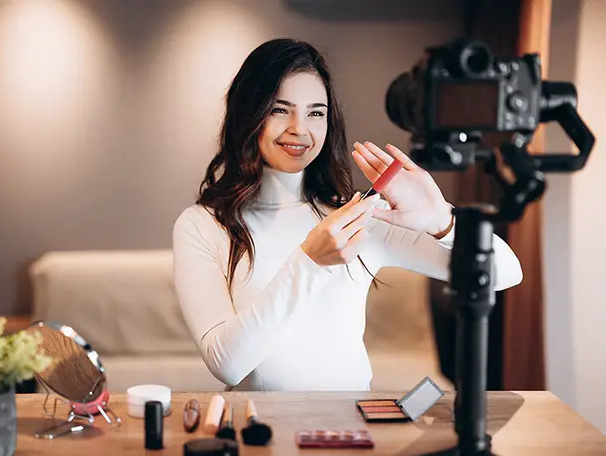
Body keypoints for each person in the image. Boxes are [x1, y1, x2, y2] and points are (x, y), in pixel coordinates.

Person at [172, 38, 522, 392]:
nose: (300, 128)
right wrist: (309, 261)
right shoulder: (203, 225)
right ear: (249, 114)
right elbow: (226, 364)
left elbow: (505, 273)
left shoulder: (360, 217)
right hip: (258, 433)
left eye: (316, 112)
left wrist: (441, 221)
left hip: (352, 433)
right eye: (280, 109)